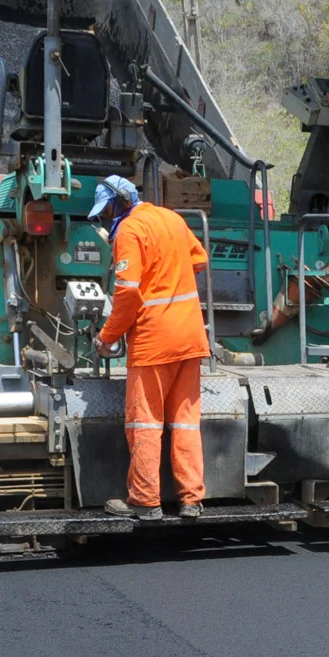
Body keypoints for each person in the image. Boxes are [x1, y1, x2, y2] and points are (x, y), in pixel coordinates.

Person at [89, 175, 209, 521]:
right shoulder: (172, 218)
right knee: (185, 422)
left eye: (107, 210)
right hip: (189, 336)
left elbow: (127, 293)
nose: (106, 218)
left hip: (154, 341)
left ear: (120, 202)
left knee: (145, 423)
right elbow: (198, 259)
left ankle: (145, 501)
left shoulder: (129, 231)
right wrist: (169, 275)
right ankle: (190, 500)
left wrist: (108, 336)